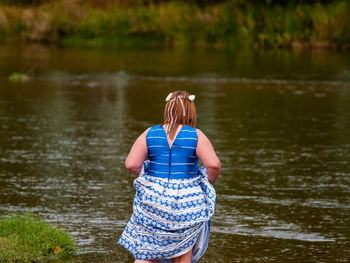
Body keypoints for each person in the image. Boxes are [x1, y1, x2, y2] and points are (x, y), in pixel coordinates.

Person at [118, 91, 221, 263]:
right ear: (191, 111)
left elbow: (131, 164)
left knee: (147, 254)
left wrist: (150, 174)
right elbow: (213, 165)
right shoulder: (196, 135)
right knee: (182, 256)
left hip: (153, 200)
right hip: (187, 202)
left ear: (167, 109)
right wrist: (208, 181)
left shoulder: (150, 133)